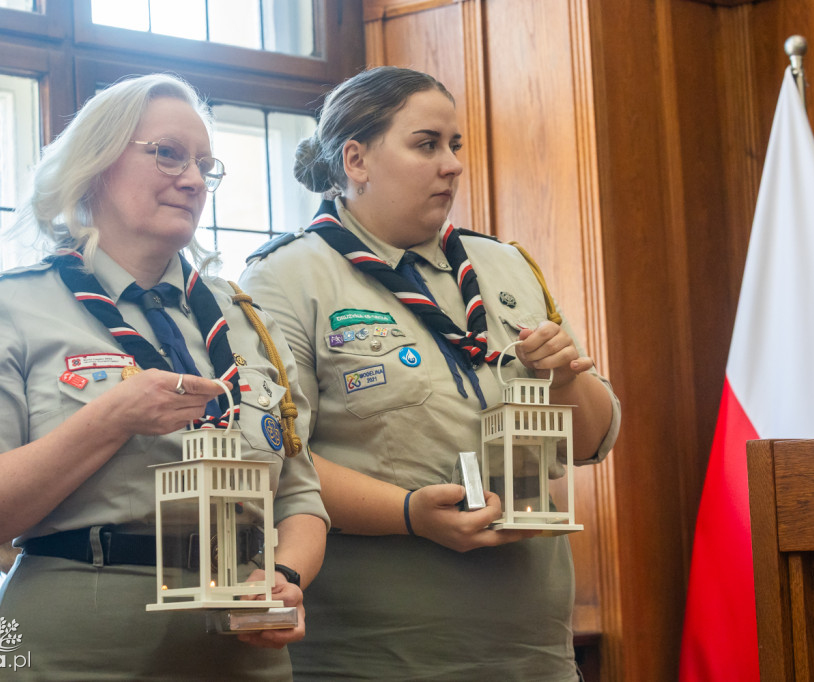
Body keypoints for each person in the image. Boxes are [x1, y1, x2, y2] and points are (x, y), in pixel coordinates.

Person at [0, 73, 328, 681]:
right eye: (168, 154)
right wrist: (110, 419)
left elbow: (298, 495)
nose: (192, 180)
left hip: (240, 647)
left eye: (204, 165)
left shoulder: (248, 320)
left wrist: (287, 577)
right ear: (96, 162)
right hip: (77, 646)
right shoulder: (5, 307)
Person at [239, 66, 621, 681]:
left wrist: (565, 380)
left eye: (455, 145)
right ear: (356, 159)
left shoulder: (505, 265)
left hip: (534, 653)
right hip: (379, 655)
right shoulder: (285, 278)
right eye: (427, 145)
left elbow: (593, 442)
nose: (452, 164)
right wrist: (410, 512)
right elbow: (282, 460)